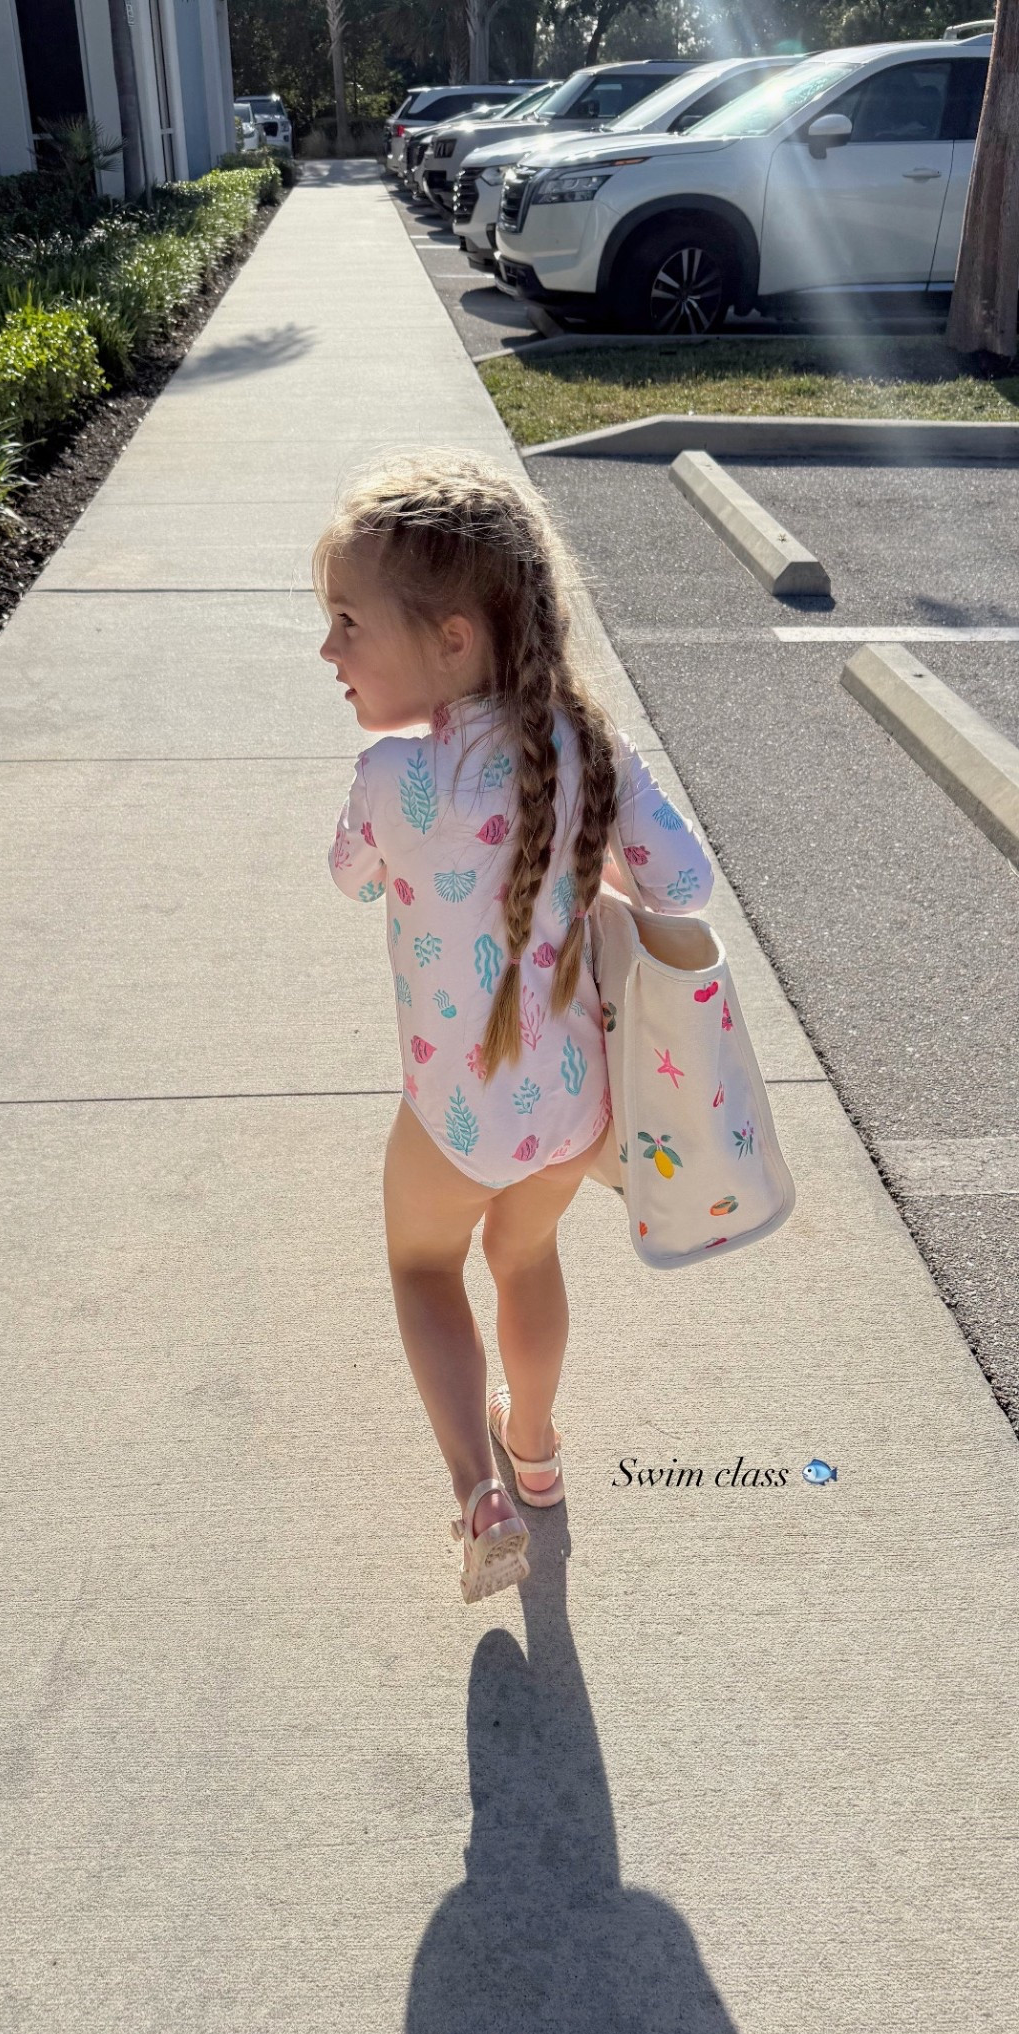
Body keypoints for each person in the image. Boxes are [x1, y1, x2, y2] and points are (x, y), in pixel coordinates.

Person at [317, 452, 714, 1605]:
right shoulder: (590, 745)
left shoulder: (392, 773)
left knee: (422, 1261)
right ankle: (533, 1451)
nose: (330, 653)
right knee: (526, 1255)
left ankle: (473, 1490)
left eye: (348, 623)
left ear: (451, 639)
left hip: (454, 1120)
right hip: (569, 1112)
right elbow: (681, 885)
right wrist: (578, 879)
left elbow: (348, 877)